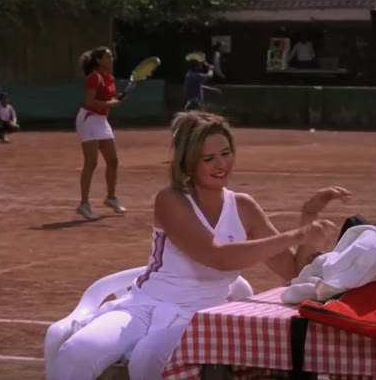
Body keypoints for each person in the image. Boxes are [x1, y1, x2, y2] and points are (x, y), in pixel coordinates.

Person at [51, 110, 348, 380]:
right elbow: (216, 256)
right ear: (189, 163)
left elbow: (293, 271)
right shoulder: (171, 199)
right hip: (144, 304)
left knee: (146, 360)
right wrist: (296, 235)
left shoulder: (243, 206)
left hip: (203, 313)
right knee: (76, 353)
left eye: (226, 153)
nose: (222, 164)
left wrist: (308, 215)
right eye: (209, 159)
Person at [75, 46, 128, 221]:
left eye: (111, 56)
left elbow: (108, 100)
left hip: (101, 120)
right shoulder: (94, 77)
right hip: (89, 118)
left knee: (113, 161)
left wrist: (118, 99)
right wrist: (112, 104)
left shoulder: (109, 78)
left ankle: (111, 198)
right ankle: (84, 204)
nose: (111, 59)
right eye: (107, 57)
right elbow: (89, 101)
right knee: (91, 162)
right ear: (98, 60)